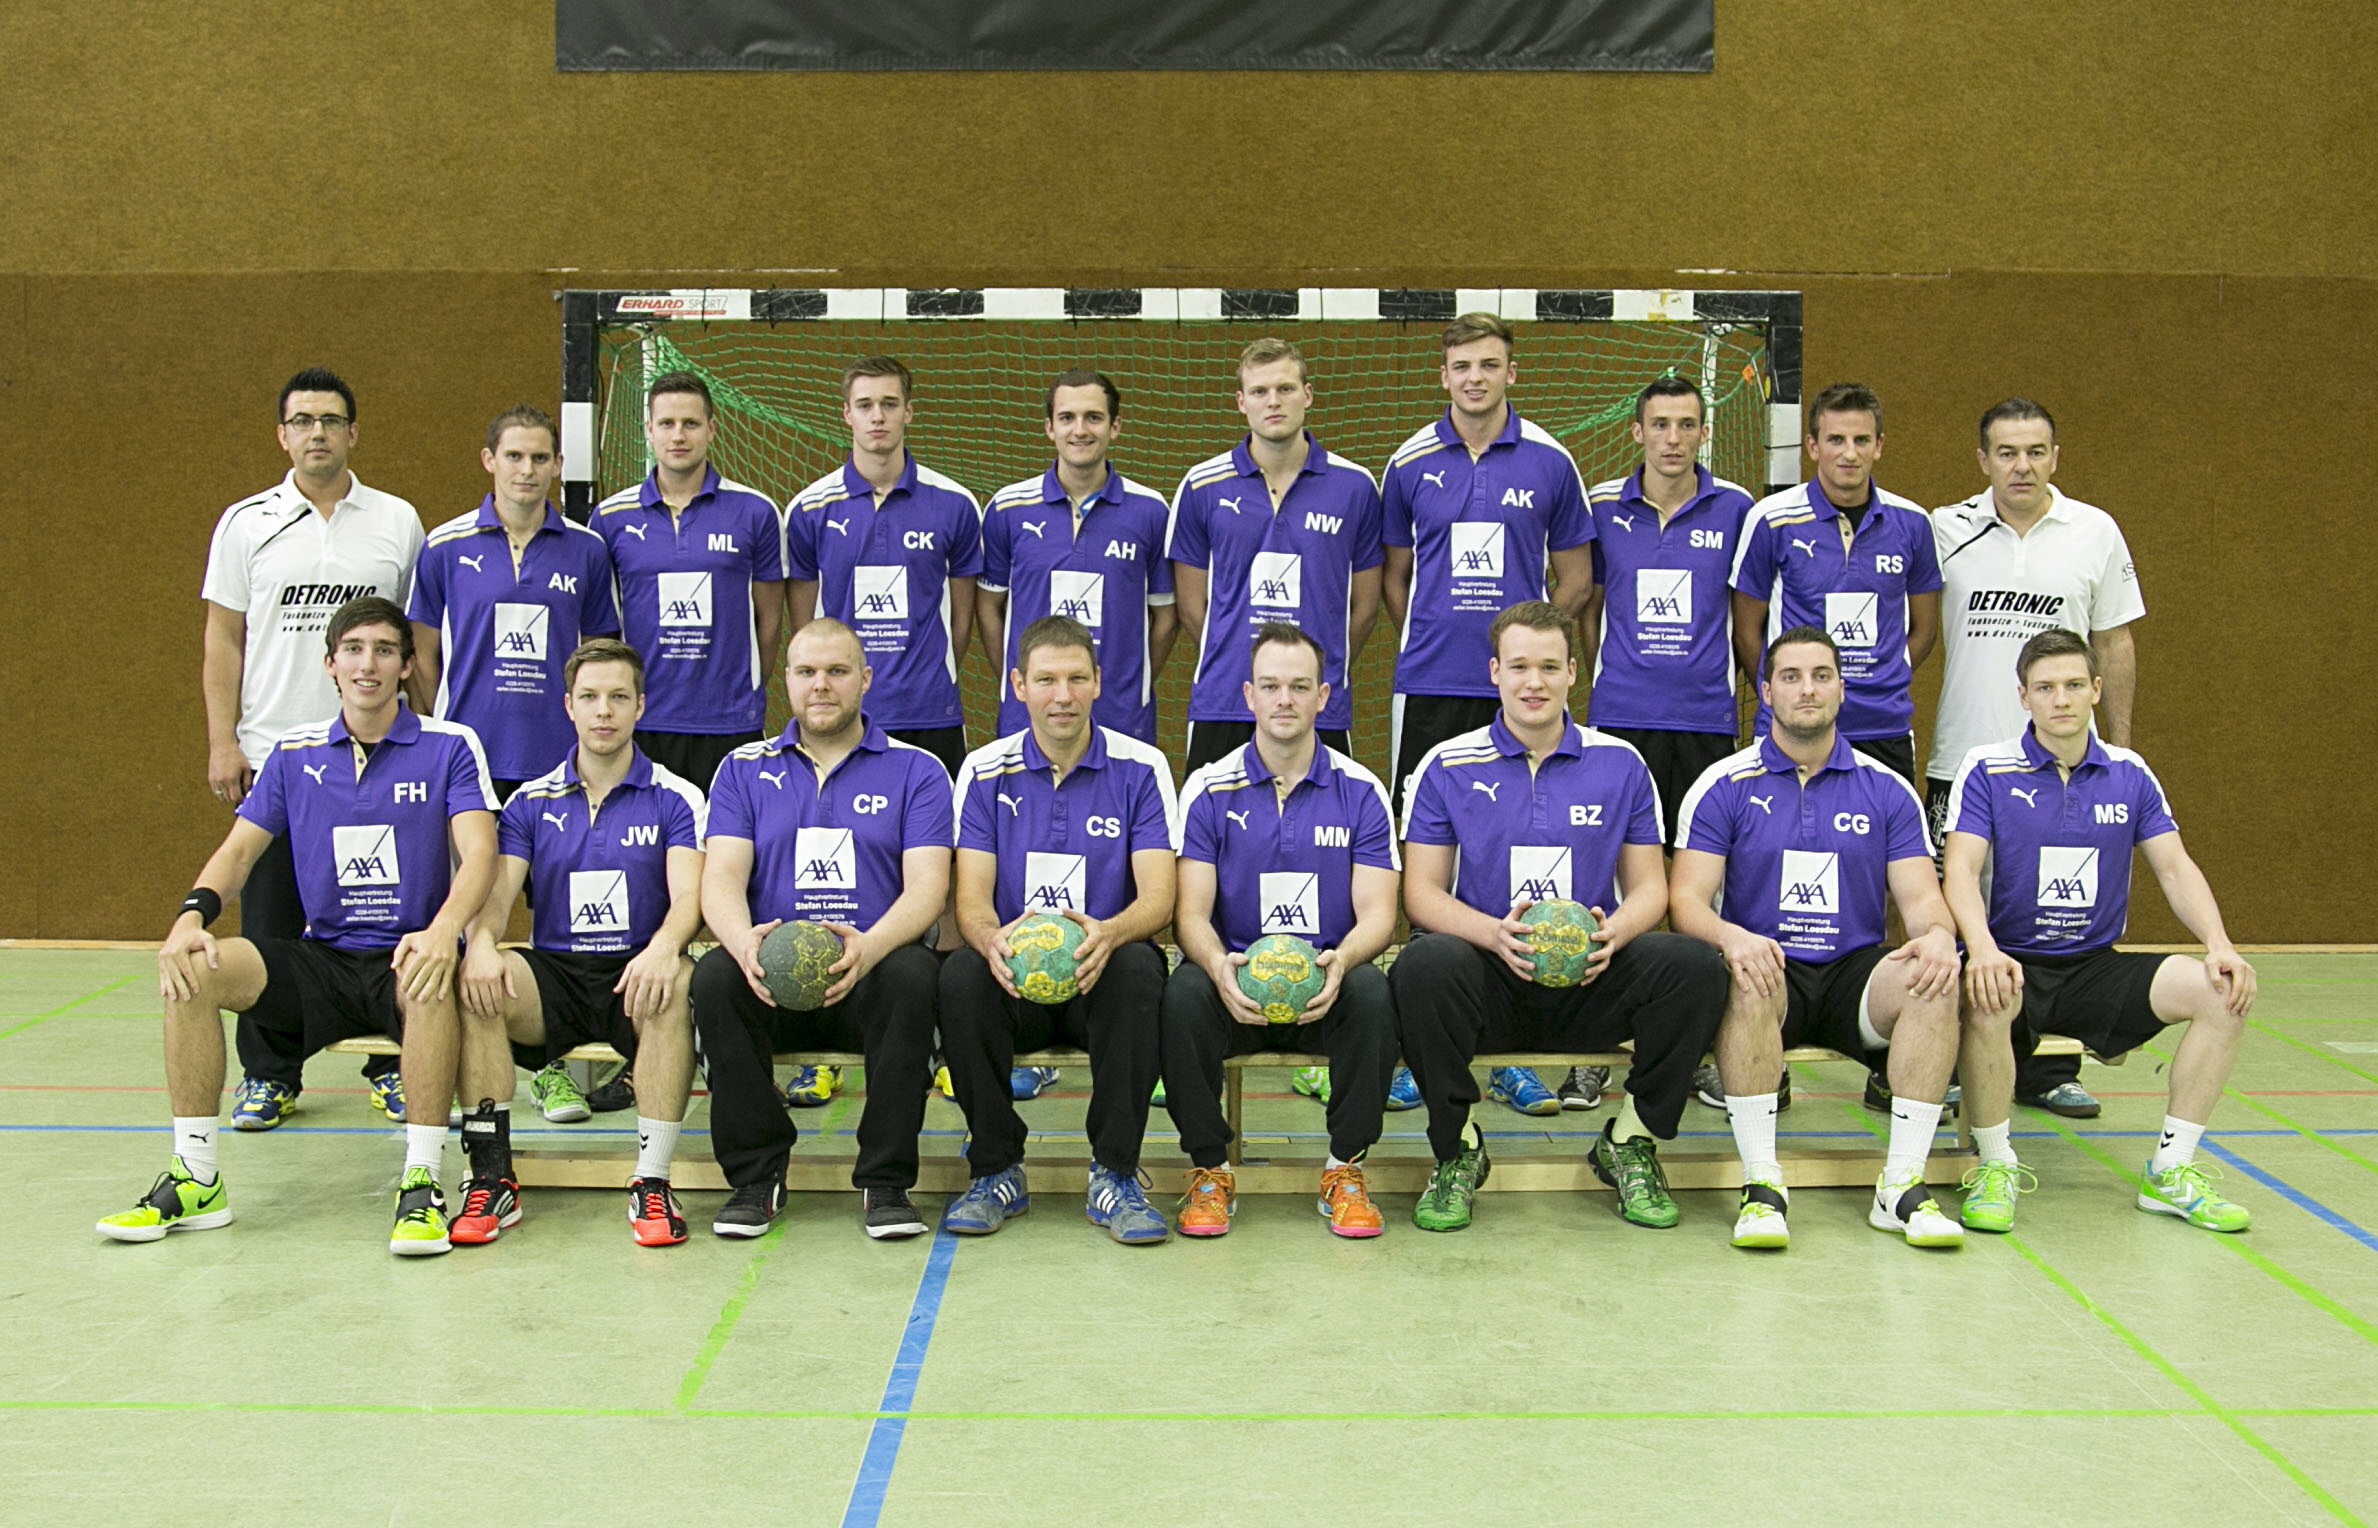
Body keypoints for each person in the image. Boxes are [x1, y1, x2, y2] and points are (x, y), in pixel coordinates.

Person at [100, 598, 498, 1254]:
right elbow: (238, 854)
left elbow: (480, 854)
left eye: (384, 651)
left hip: (408, 954)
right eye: (354, 650)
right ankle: (197, 1177)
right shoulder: (293, 753)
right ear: (331, 664)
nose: (368, 664)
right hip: (325, 959)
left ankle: (422, 1181)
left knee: (427, 979)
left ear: (405, 667)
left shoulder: (449, 746)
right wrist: (190, 917)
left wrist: (443, 930)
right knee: (193, 968)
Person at [1391, 601, 1727, 1233]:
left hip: (1592, 982)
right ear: (1495, 672)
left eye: (1549, 667)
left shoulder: (1621, 763)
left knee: (1694, 965)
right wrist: (1493, 934)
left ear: (1574, 672)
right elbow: (1422, 895)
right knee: (1422, 964)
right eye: (1519, 666)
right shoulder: (1446, 764)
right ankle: (1458, 1147)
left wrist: (1613, 935)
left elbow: (1650, 888)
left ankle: (1631, 1140)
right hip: (1492, 980)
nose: (1534, 682)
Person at [1942, 629, 2255, 1235]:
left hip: (2094, 964)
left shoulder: (2130, 773)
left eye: (2073, 685)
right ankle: (1995, 1165)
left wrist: (2220, 945)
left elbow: (2174, 867)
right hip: (2010, 960)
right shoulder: (1987, 768)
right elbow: (1960, 870)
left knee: (2222, 992)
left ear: (2096, 690)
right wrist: (1980, 949)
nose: (2060, 699)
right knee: (1987, 994)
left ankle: (2171, 1170)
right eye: (2045, 688)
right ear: (2024, 697)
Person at [1670, 626, 1968, 1252]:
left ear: (1841, 689)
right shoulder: (1724, 784)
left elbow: (1920, 900)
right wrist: (1732, 938)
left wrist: (1940, 936)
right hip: (1768, 970)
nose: (1808, 689)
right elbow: (1686, 902)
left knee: (1933, 978)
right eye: (1792, 677)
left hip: (1854, 975)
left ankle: (1901, 1185)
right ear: (1766, 692)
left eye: (1821, 676)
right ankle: (1762, 1186)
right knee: (1745, 979)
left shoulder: (1886, 789)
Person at [1380, 312, 1594, 1117]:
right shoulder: (1408, 463)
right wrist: (1436, 638)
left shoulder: (1551, 461)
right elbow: (1395, 576)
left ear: (1512, 372)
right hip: (1431, 684)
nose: (1475, 377)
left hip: (1521, 688)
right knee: (1424, 857)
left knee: (1516, 847)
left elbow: (1575, 577)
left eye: (1490, 364)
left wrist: (1527, 656)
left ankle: (1508, 1053)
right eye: (1462, 365)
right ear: (1444, 376)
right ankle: (1420, 1044)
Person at [202, 367, 423, 1126]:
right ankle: (269, 1074)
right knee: (268, 926)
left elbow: (415, 640)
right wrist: (223, 740)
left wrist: (426, 732)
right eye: (303, 421)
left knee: (383, 913)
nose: (317, 432)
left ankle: (392, 1065)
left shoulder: (397, 521)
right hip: (278, 756)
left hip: (381, 755)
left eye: (330, 420)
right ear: (282, 435)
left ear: (353, 432)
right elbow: (223, 639)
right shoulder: (245, 523)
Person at [689, 620, 951, 1240]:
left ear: (865, 679)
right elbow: (721, 877)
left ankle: (886, 1181)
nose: (821, 685)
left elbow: (928, 888)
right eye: (807, 672)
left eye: (837, 671)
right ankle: (757, 1177)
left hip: (871, 978)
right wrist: (744, 943)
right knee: (715, 976)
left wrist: (870, 948)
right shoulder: (742, 769)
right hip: (772, 981)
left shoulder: (917, 770)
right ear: (787, 681)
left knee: (915, 973)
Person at [1929, 398, 2146, 1120]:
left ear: (2055, 456)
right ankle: (1946, 1058)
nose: (2022, 465)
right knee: (1955, 912)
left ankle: (2049, 1067)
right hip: (1963, 759)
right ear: (1982, 460)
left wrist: (2117, 744)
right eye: (2006, 452)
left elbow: (2113, 640)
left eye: (2036, 451)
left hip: (2065, 767)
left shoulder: (2095, 531)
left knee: (2058, 911)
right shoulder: (1944, 530)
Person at [411, 404, 624, 1122]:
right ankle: (459, 1064)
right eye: (514, 457)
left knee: (559, 924)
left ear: (558, 467)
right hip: (473, 770)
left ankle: (554, 1068)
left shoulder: (587, 550)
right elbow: (422, 655)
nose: (527, 471)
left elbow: (599, 656)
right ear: (489, 460)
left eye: (540, 458)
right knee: (473, 917)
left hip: (556, 770)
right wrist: (447, 735)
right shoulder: (445, 546)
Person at [457, 638, 706, 1247]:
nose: (604, 711)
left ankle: (652, 1180)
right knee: (478, 981)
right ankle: (491, 1177)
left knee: (677, 979)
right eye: (590, 697)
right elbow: (495, 899)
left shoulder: (677, 796)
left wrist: (664, 947)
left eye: (618, 697)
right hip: (557, 975)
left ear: (640, 706)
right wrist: (481, 942)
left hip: (637, 973)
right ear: (568, 706)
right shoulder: (529, 802)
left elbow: (689, 898)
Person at [783, 355, 985, 1105]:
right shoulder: (809, 509)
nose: (877, 416)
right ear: (846, 413)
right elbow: (808, 626)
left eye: (890, 403)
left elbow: (961, 617)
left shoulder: (954, 505)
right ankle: (827, 1042)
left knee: (942, 886)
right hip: (835, 733)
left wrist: (919, 678)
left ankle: (943, 1043)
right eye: (864, 404)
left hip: (928, 719)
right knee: (831, 876)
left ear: (909, 412)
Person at [939, 616, 1179, 1245]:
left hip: (1099, 980)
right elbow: (970, 899)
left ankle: (1114, 1174)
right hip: (1014, 986)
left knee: (1140, 966)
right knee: (960, 974)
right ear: (1019, 686)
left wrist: (1110, 933)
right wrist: (992, 940)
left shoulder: (1142, 766)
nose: (1062, 696)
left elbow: (1159, 897)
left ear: (1098, 681)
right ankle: (995, 1168)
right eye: (1046, 680)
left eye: (1076, 679)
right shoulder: (983, 770)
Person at [1164, 623, 1400, 1239]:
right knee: (1182, 992)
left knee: (1374, 991)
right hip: (1235, 986)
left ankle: (1344, 1169)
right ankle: (1210, 1170)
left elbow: (1380, 913)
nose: (1284, 699)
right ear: (1249, 695)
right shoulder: (1208, 788)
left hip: (1326, 985)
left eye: (1299, 686)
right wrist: (1219, 967)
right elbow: (1190, 915)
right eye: (1270, 686)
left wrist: (1342, 962)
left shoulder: (1362, 791)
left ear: (1323, 696)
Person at [1566, 376, 1754, 1112]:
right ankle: (1594, 1054)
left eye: (1686, 424)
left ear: (1704, 433)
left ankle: (1704, 1046)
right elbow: (1588, 608)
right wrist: (1608, 681)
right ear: (1637, 432)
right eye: (1660, 424)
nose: (1673, 438)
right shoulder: (1601, 507)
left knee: (1704, 885)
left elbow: (1745, 617)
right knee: (1614, 879)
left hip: (1706, 725)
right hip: (1622, 721)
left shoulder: (1736, 508)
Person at [1165, 337, 1383, 773]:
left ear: (1307, 395)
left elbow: (1363, 609)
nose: (1273, 401)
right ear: (1241, 402)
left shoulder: (1356, 487)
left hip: (1319, 708)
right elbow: (1191, 608)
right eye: (1260, 391)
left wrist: (1315, 668)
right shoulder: (1201, 485)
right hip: (1224, 702)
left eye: (1285, 388)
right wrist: (1239, 660)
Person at [1729, 383, 1940, 788]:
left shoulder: (1913, 523)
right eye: (1836, 440)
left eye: (1862, 440)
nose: (1849, 453)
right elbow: (1746, 631)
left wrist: (1885, 676)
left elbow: (1925, 629)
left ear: (1879, 446)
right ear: (1813, 446)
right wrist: (1787, 693)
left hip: (1883, 727)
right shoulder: (1771, 520)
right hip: (1789, 730)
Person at [592, 370, 788, 795]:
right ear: (649, 430)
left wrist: (744, 689)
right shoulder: (609, 519)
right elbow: (604, 628)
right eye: (667, 423)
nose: (678, 436)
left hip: (729, 722)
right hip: (644, 721)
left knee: (728, 838)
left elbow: (770, 620)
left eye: (691, 423)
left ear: (712, 429)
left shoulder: (756, 512)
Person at [978, 369, 1178, 745]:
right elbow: (988, 608)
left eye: (1094, 417)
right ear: (1049, 428)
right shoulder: (1007, 509)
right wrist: (1025, 683)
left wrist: (1131, 684)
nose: (1080, 430)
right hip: (1027, 721)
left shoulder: (1151, 511)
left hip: (1122, 718)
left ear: (1115, 427)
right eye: (1067, 418)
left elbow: (1166, 617)